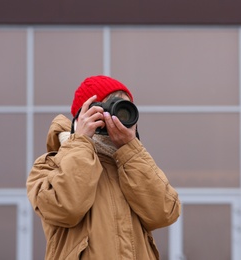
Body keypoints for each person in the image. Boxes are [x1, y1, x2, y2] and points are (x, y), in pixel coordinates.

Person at [26, 75, 181, 259]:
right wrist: (81, 141)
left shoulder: (130, 163)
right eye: (110, 106)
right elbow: (66, 207)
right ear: (87, 113)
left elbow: (164, 213)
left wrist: (130, 150)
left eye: (124, 108)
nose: (118, 116)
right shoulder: (49, 165)